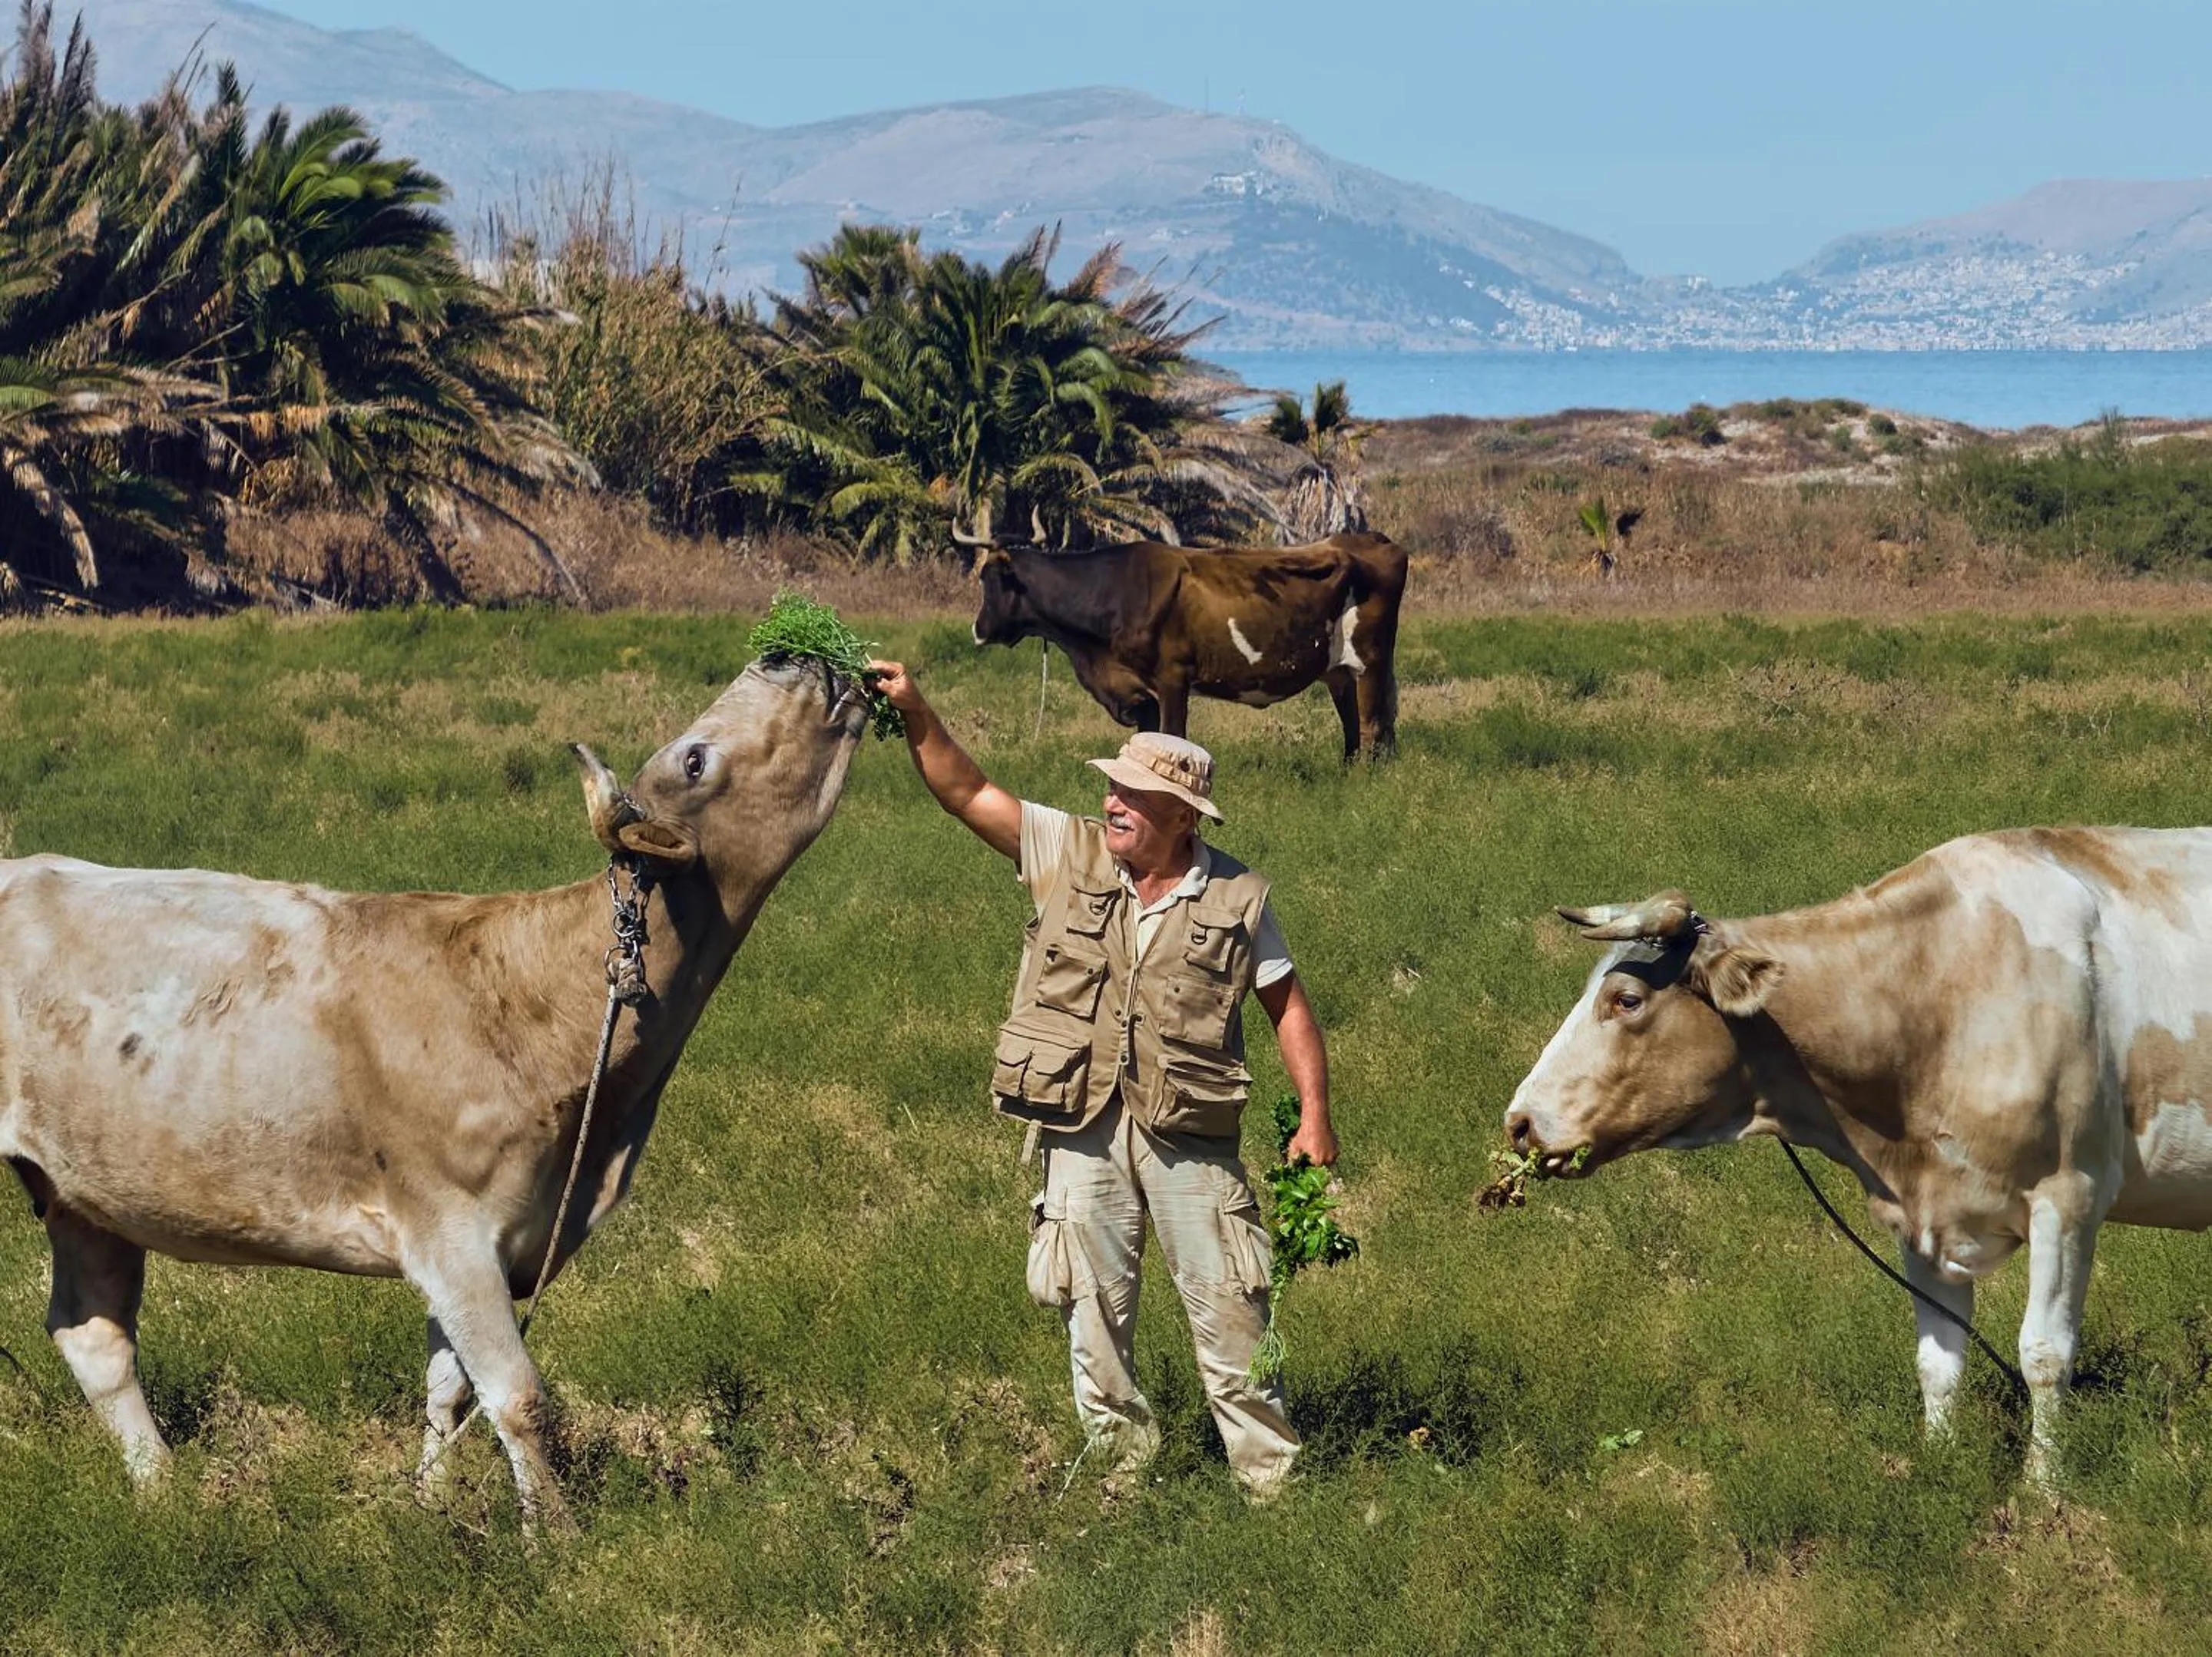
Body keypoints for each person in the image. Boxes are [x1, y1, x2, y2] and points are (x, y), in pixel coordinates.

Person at [867, 658, 1336, 1500]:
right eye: (1111, 788)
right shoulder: (1067, 850)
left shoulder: (1238, 898)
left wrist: (1314, 1114)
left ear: (1182, 818)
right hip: (1080, 1123)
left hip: (1189, 1131)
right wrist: (915, 709)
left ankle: (1273, 1489)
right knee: (1092, 1311)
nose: (1112, 802)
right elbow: (967, 793)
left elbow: (1290, 1010)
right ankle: (1121, 1477)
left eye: (1132, 795)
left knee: (1233, 1308)